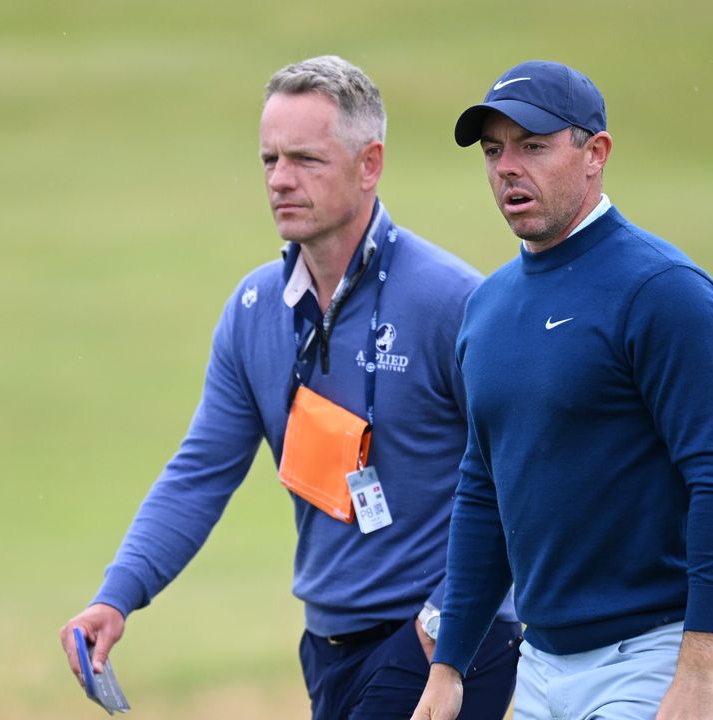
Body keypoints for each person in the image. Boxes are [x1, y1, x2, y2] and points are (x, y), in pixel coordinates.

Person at [59, 55, 520, 720]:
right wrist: (117, 595)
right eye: (269, 160)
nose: (280, 180)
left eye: (305, 159)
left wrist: (446, 615)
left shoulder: (452, 301)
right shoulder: (254, 310)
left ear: (370, 165)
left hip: (443, 638)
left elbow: (519, 471)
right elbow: (201, 471)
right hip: (328, 644)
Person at [411, 60, 713, 720]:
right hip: (541, 668)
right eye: (494, 151)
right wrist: (449, 666)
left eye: (534, 146)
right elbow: (484, 488)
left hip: (656, 659)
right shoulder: (486, 309)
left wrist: (700, 668)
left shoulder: (663, 292)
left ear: (595, 153)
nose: (508, 168)